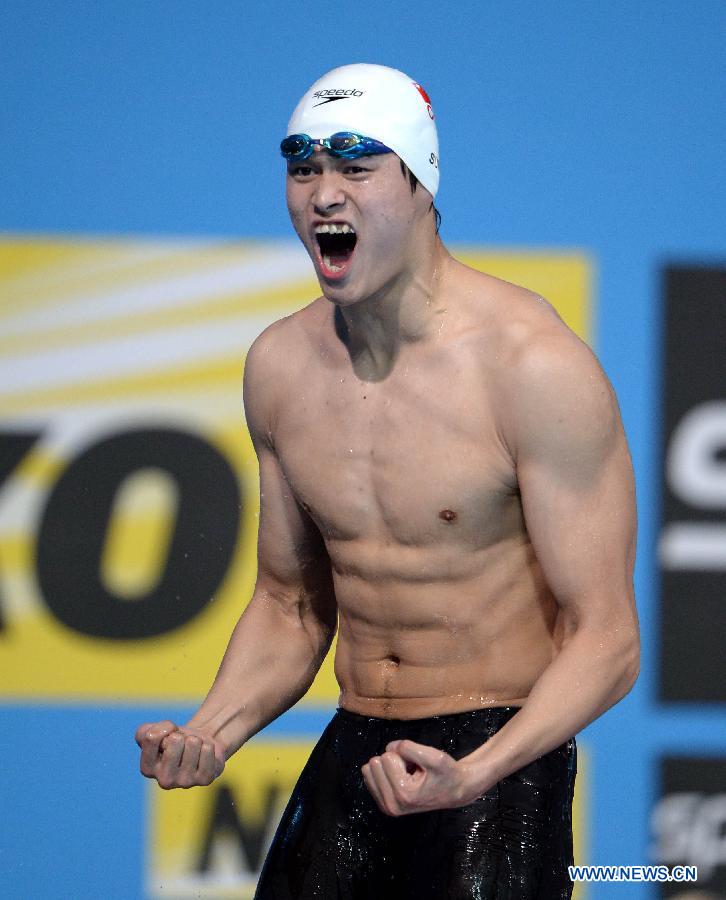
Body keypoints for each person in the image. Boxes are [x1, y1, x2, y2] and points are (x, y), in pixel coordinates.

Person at [135, 63, 639, 898]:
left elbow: (609, 639)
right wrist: (210, 732)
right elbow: (292, 605)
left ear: (420, 185)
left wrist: (475, 775)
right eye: (303, 169)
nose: (323, 194)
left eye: (356, 167)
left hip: (498, 760)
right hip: (356, 741)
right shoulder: (282, 366)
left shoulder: (531, 366)